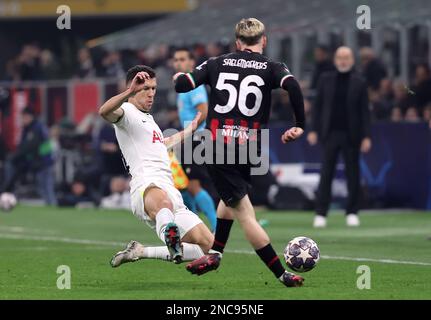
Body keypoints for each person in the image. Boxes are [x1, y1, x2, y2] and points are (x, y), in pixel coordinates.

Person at [174, 18, 306, 287]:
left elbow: (184, 84)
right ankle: (216, 254)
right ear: (263, 41)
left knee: (243, 212)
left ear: (237, 42)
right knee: (233, 199)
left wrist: (178, 77)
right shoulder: (272, 67)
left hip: (218, 147)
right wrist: (300, 125)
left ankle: (281, 274)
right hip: (250, 149)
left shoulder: (216, 63)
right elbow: (292, 86)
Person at [98, 65, 214, 267]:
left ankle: (141, 252)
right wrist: (128, 92)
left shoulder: (150, 120)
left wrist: (190, 130)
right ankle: (170, 234)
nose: (151, 94)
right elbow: (104, 111)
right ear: (133, 88)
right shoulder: (127, 112)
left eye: (153, 88)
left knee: (209, 247)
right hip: (147, 185)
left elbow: (163, 144)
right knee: (164, 204)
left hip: (170, 190)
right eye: (145, 89)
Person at [307, 46, 371, 228]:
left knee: (353, 174)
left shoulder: (359, 81)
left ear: (352, 60)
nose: (343, 60)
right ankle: (321, 213)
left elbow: (365, 112)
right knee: (326, 173)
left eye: (347, 57)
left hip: (352, 135)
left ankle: (352, 212)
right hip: (330, 134)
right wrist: (313, 130)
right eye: (340, 57)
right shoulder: (325, 79)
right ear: (335, 60)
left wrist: (366, 136)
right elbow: (317, 108)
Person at [172, 47, 217, 232]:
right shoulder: (183, 85)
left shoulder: (193, 84)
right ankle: (192, 226)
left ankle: (215, 228)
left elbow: (203, 110)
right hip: (189, 138)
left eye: (182, 59)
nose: (178, 63)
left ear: (192, 62)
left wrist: (190, 132)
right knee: (183, 185)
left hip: (196, 138)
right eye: (175, 60)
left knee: (192, 185)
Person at [1, 107, 57, 205]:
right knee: (44, 188)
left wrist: (15, 157)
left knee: (46, 188)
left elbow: (29, 146)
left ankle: (52, 205)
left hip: (45, 162)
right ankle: (51, 205)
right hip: (41, 162)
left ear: (29, 116)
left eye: (23, 117)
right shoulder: (29, 129)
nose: (22, 120)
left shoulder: (36, 128)